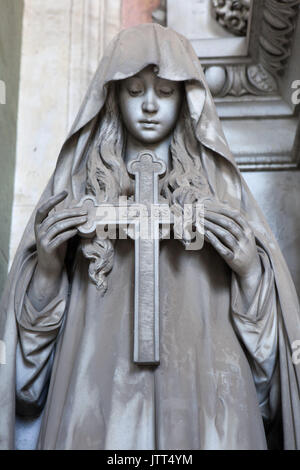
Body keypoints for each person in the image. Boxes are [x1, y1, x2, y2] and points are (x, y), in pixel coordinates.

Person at [1, 23, 300, 450]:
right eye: (135, 90)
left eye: (165, 91)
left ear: (186, 99)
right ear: (113, 97)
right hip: (98, 413)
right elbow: (26, 384)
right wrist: (48, 269)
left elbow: (269, 375)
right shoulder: (77, 200)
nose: (148, 106)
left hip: (208, 411)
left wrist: (250, 272)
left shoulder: (224, 202)